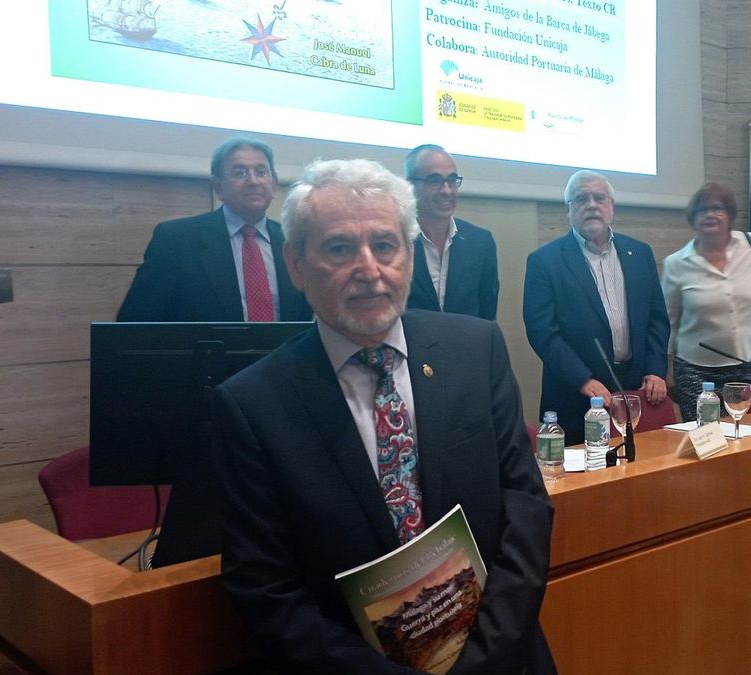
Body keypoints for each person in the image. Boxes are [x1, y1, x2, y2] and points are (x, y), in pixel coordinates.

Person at [210, 158, 556, 673]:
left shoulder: (475, 350)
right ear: (296, 264)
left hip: (503, 658)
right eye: (339, 248)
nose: (369, 269)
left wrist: (486, 656)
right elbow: (267, 591)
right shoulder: (253, 405)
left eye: (385, 245)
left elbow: (524, 508)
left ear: (409, 257)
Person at [523, 169, 670, 445]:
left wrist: (655, 370)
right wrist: (583, 380)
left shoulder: (639, 253)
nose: (591, 204)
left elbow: (657, 320)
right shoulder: (545, 261)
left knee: (643, 471)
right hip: (575, 395)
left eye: (599, 197)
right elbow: (542, 332)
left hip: (636, 388)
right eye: (581, 199)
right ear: (569, 209)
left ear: (611, 206)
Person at [116, 137, 311, 322]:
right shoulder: (176, 241)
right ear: (218, 187)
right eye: (240, 173)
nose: (253, 181)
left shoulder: (292, 241)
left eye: (261, 172)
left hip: (283, 357)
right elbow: (136, 323)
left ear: (274, 183)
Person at [661, 182, 751, 421]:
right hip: (695, 372)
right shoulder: (676, 263)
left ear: (730, 215)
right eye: (702, 210)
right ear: (693, 219)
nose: (710, 215)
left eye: (718, 208)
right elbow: (670, 322)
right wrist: (668, 369)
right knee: (707, 442)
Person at [403, 144, 499, 320]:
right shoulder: (395, 240)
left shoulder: (480, 242)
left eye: (452, 180)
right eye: (435, 180)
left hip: (466, 346)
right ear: (410, 185)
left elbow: (487, 316)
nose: (446, 190)